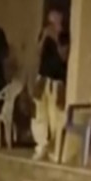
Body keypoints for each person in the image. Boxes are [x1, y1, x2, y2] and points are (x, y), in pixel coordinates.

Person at [33, 9, 69, 161]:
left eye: (55, 17)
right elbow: (38, 52)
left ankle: (54, 147)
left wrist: (54, 37)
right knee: (40, 114)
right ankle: (41, 145)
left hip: (57, 81)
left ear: (60, 18)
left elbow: (63, 56)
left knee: (56, 117)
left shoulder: (64, 35)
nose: (51, 20)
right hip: (43, 78)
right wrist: (44, 38)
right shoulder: (45, 33)